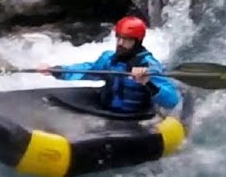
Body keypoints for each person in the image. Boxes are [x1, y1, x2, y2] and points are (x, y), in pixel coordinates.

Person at [36, 16, 181, 115]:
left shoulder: (149, 66)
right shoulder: (109, 59)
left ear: (137, 41)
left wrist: (147, 82)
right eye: (119, 38)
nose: (120, 43)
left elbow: (171, 100)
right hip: (106, 111)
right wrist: (57, 71)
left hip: (135, 118)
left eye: (126, 40)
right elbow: (87, 70)